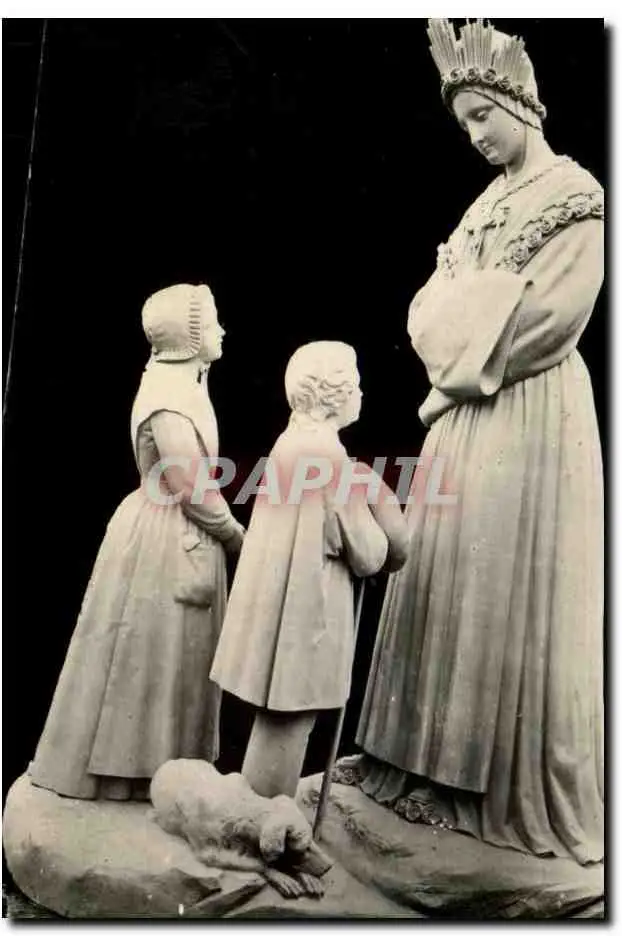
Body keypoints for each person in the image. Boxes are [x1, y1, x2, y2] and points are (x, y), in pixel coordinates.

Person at [347, 19, 604, 866]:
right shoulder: (484, 205)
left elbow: (547, 320)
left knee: (499, 580)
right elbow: (426, 311)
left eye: (482, 117)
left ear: (519, 104)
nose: (475, 137)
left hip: (527, 411)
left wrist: (473, 317)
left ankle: (482, 786)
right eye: (463, 125)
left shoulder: (578, 197)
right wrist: (478, 305)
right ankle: (413, 766)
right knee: (440, 570)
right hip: (461, 412)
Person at [29, 283, 244, 800]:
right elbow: (190, 486)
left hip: (174, 531)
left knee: (166, 658)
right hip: (164, 536)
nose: (222, 330)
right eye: (212, 323)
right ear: (189, 337)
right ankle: (133, 777)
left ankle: (160, 776)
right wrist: (234, 533)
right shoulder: (169, 398)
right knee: (150, 655)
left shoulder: (181, 385)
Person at [210, 341, 409, 799]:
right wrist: (379, 495)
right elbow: (371, 554)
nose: (361, 393)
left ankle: (261, 813)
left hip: (279, 617)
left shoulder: (289, 443)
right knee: (293, 722)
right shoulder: (333, 462)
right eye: (355, 385)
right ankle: (267, 821)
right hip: (308, 621)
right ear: (333, 395)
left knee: (276, 721)